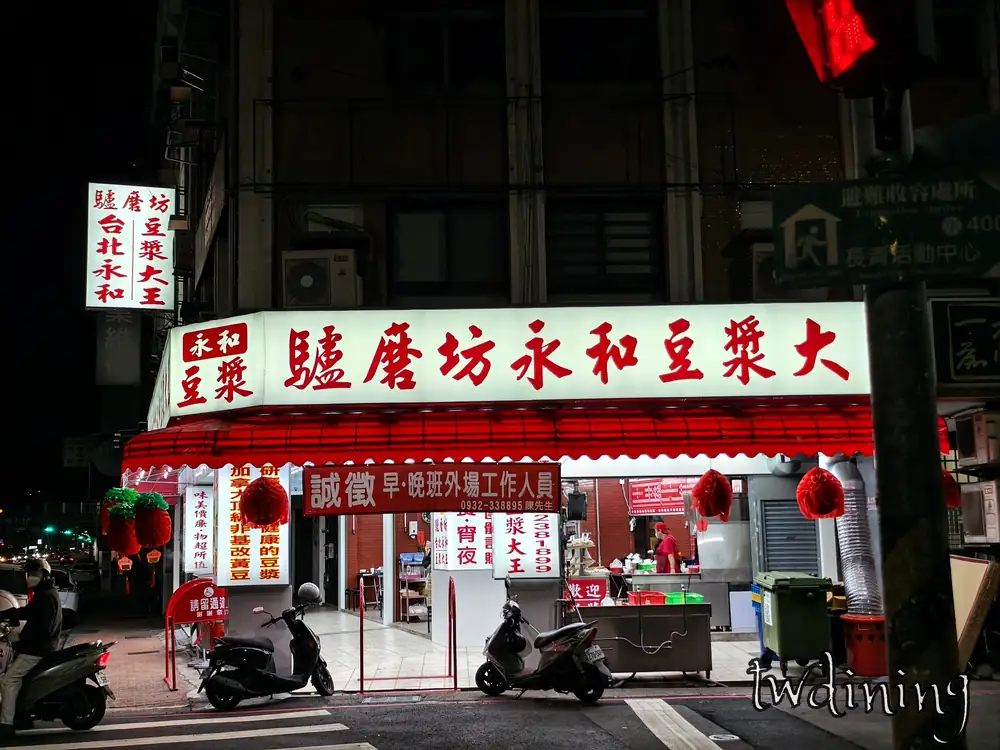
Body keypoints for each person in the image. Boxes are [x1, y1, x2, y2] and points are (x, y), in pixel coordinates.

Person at [0, 559, 62, 738]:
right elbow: (28, 612)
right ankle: (23, 715)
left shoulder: (46, 596)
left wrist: (19, 637)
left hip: (38, 649)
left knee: (9, 680)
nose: (31, 578)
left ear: (45, 575)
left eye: (35, 574)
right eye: (29, 575)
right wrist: (6, 615)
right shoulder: (45, 593)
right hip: (39, 646)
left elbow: (44, 628)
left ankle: (5, 724)